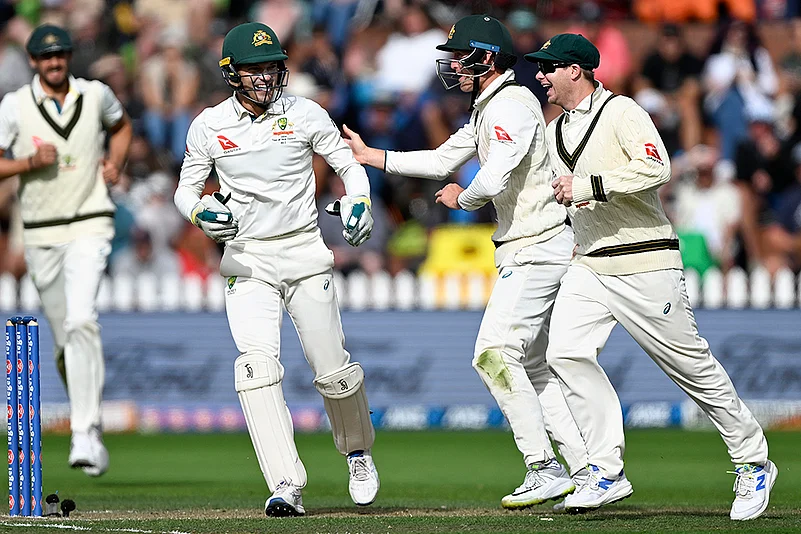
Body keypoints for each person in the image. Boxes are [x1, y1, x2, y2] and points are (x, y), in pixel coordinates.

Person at [525, 33, 777, 520]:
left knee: (692, 371)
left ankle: (753, 460)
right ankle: (605, 468)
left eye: (549, 67)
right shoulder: (556, 129)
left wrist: (590, 186)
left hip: (645, 263)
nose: (540, 74)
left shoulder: (620, 112)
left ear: (575, 70)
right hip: (591, 264)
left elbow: (655, 168)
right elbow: (559, 193)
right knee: (564, 353)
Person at [343, 14, 589, 510]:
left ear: (487, 58)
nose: (453, 64)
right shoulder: (490, 107)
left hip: (538, 246)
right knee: (534, 367)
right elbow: (438, 161)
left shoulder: (512, 104)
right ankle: (586, 471)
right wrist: (372, 156)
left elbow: (493, 177)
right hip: (531, 245)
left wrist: (462, 200)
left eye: (461, 55)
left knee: (493, 354)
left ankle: (543, 467)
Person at [174, 22, 379, 517]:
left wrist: (359, 201)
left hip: (305, 251)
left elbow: (348, 165)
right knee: (256, 370)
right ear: (231, 73)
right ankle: (287, 482)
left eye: (271, 68)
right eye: (254, 70)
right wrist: (200, 212)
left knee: (332, 368)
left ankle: (357, 452)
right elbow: (185, 189)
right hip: (247, 257)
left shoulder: (305, 112)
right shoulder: (209, 125)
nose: (265, 78)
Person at [0, 24, 133, 476]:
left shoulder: (95, 94)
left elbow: (122, 126)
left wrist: (115, 163)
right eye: (45, 57)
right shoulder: (14, 106)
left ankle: (84, 432)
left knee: (82, 319)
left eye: (61, 55)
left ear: (69, 57)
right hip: (40, 231)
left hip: (91, 221)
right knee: (64, 340)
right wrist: (26, 164)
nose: (54, 63)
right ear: (33, 61)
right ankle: (87, 421)